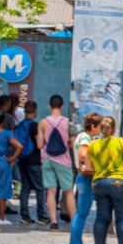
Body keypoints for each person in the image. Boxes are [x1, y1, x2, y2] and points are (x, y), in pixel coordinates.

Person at [88, 116, 123, 244]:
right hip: (119, 183)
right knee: (122, 219)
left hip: (100, 183)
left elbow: (89, 167)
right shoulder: (120, 142)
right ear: (114, 128)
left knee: (101, 218)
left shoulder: (93, 144)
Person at [39, 94, 76, 231]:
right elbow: (72, 143)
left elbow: (39, 145)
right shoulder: (67, 122)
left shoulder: (43, 122)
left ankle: (53, 221)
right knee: (68, 191)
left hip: (47, 159)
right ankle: (74, 221)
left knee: (51, 191)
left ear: (49, 106)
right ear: (62, 106)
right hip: (63, 160)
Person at [69, 112, 102, 244]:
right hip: (86, 177)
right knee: (81, 214)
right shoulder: (86, 138)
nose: (101, 129)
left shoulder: (82, 136)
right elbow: (83, 155)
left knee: (79, 213)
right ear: (93, 126)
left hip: (82, 177)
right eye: (99, 126)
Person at [15, 101, 48, 225]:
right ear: (35, 112)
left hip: (22, 159)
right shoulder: (35, 126)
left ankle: (24, 216)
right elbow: (40, 144)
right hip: (34, 160)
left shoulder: (19, 126)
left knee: (25, 188)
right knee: (40, 188)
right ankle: (42, 216)